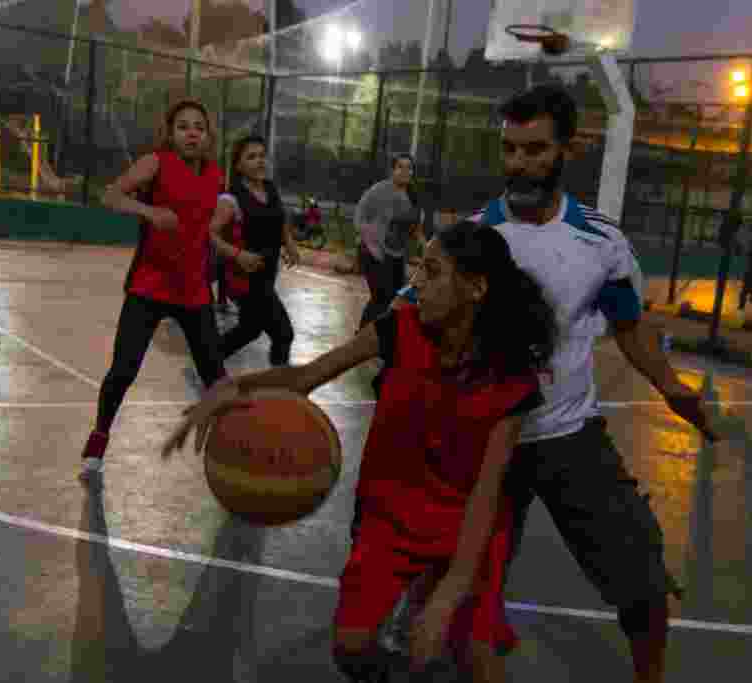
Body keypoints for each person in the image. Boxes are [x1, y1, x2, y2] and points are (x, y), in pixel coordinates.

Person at [392, 84, 720, 683]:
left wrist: (676, 391)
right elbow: (406, 319)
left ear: (567, 148)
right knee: (450, 590)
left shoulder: (600, 242)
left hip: (570, 436)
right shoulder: (470, 240)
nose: (519, 163)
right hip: (487, 439)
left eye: (535, 149)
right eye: (510, 149)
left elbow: (629, 329)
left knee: (641, 580)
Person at [163, 221, 558, 682]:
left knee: (480, 659)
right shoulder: (398, 329)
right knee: (352, 649)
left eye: (431, 272)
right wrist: (229, 388)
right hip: (390, 514)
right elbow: (304, 378)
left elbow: (488, 495)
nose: (416, 283)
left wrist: (451, 592)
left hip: (468, 523)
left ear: (475, 288)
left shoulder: (511, 377)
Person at [78, 99, 227, 480]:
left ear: (208, 135)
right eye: (183, 126)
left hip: (193, 290)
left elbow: (203, 225)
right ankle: (99, 434)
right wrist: (150, 213)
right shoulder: (156, 163)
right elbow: (110, 195)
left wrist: (230, 254)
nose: (192, 132)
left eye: (199, 126)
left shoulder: (214, 175)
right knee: (123, 370)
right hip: (149, 285)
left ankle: (234, 446)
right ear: (171, 132)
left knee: (216, 377)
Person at [208, 135, 300, 367]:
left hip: (266, 275)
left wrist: (288, 242)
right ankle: (279, 388)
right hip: (243, 280)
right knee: (283, 333)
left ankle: (207, 363)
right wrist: (238, 254)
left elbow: (279, 220)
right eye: (252, 157)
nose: (260, 161)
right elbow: (209, 234)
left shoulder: (270, 188)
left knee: (249, 330)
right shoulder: (231, 199)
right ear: (238, 165)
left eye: (262, 156)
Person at [355, 154, 423, 330]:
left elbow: (415, 227)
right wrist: (368, 239)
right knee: (381, 297)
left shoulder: (413, 196)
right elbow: (360, 216)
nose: (405, 171)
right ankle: (362, 335)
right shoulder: (379, 191)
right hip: (374, 253)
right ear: (392, 170)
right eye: (400, 167)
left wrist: (425, 245)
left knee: (396, 299)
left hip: (396, 256)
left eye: (409, 167)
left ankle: (385, 338)